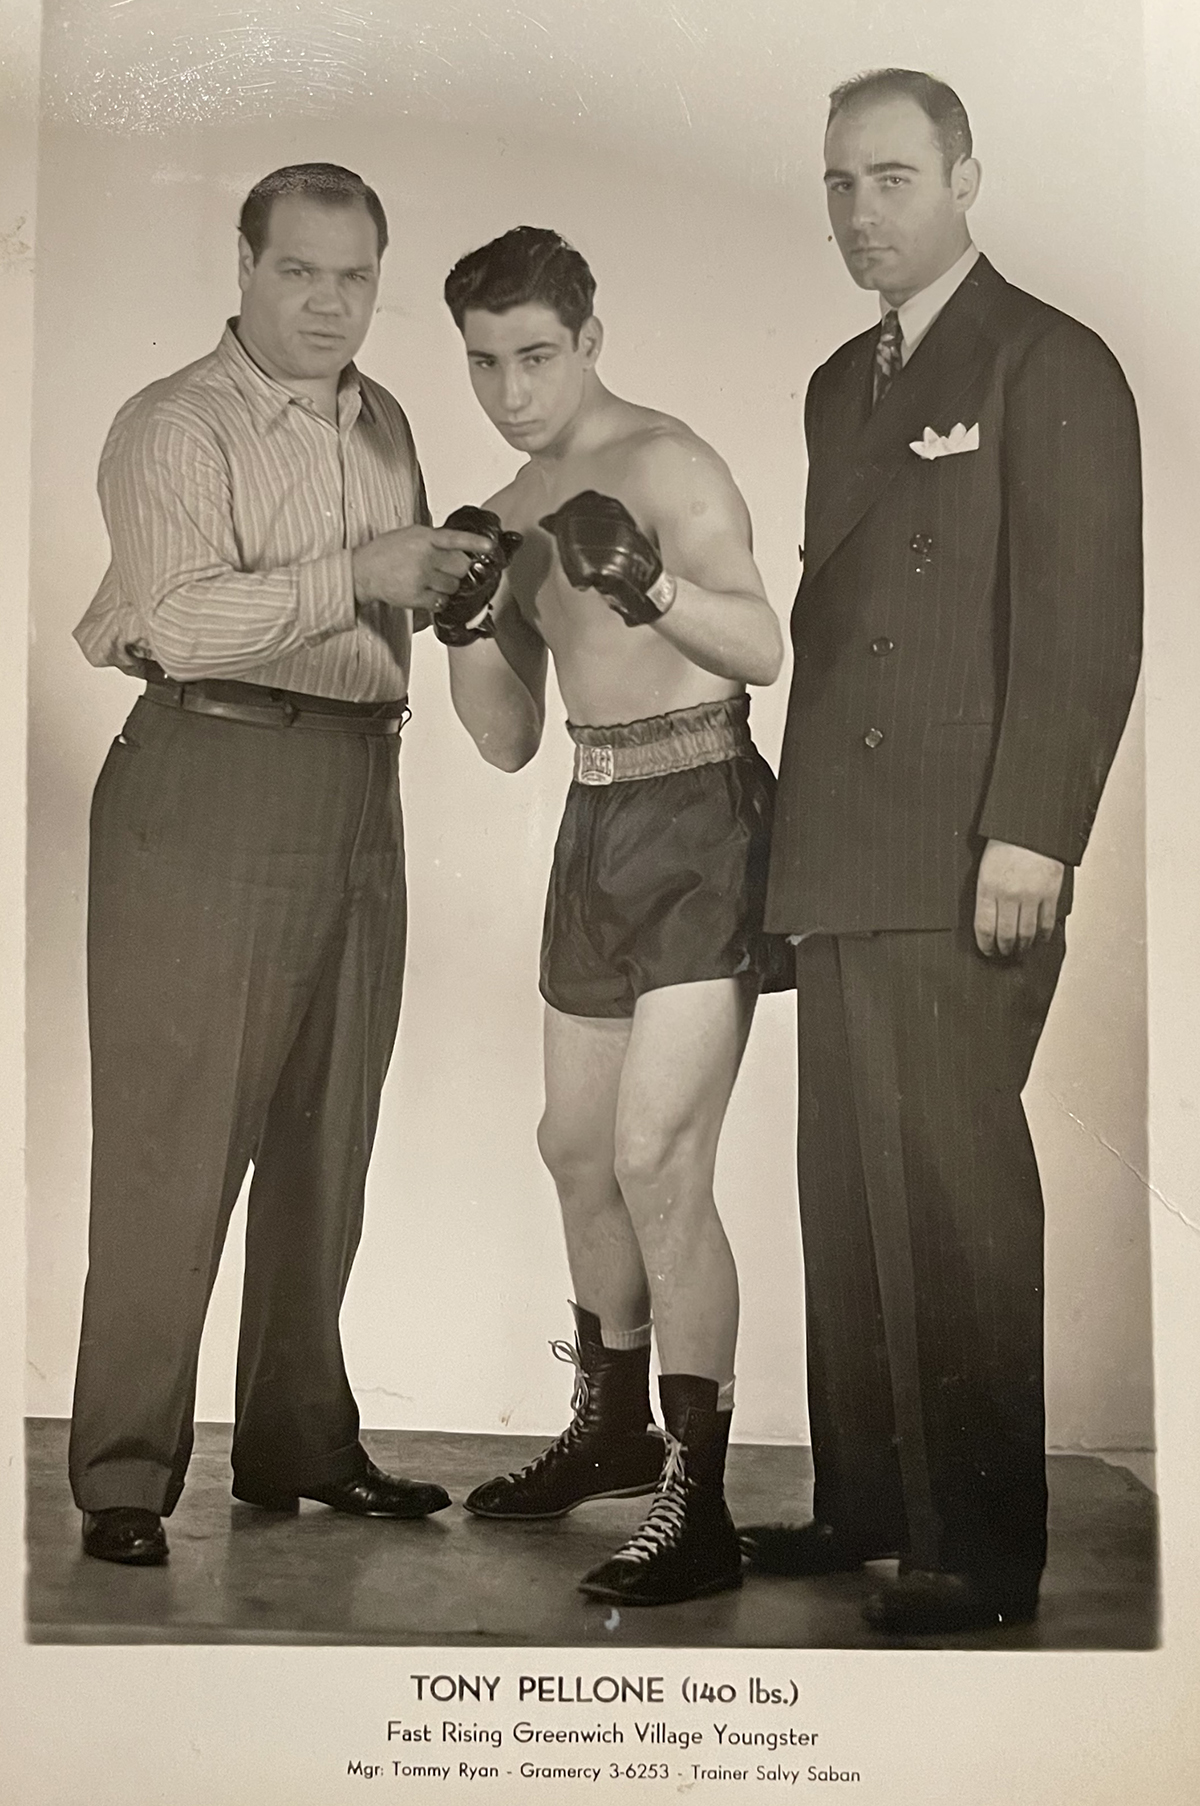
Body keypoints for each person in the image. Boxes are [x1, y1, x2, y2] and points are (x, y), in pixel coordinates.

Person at [738, 70, 1143, 1633]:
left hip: (970, 846)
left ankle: (978, 1549)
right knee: (844, 1185)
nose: (859, 213)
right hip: (845, 851)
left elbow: (1084, 625)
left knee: (952, 1189)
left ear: (967, 174)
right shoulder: (847, 380)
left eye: (892, 179)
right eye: (839, 182)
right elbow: (835, 636)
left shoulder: (1051, 358)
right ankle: (868, 1500)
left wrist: (1034, 829)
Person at [69, 163, 496, 1565]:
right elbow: (182, 626)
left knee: (330, 1134)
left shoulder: (386, 424)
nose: (329, 302)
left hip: (359, 776)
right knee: (175, 1140)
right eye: (300, 271)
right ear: (243, 268)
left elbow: (404, 602)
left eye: (356, 275)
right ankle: (127, 1471)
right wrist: (360, 574)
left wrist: (465, 583)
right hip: (211, 768)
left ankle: (299, 1433)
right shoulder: (174, 424)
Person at [435, 226, 786, 1606]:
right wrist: (472, 623)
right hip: (593, 819)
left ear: (587, 338)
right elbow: (508, 739)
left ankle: (699, 1503)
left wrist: (651, 580)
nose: (512, 391)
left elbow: (764, 644)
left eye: (534, 357)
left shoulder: (668, 462)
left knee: (657, 1152)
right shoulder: (514, 505)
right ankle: (614, 1424)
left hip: (705, 808)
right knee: (576, 1146)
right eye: (482, 363)